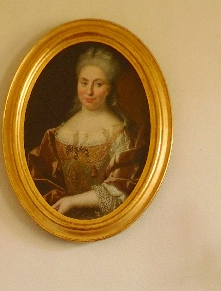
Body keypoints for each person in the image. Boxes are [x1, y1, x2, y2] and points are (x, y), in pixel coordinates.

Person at [27, 46, 149, 220]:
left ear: (108, 89)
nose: (89, 91)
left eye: (98, 84)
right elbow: (41, 179)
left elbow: (120, 190)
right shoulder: (57, 133)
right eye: (84, 83)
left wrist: (73, 201)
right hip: (61, 219)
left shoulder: (118, 134)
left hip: (104, 223)